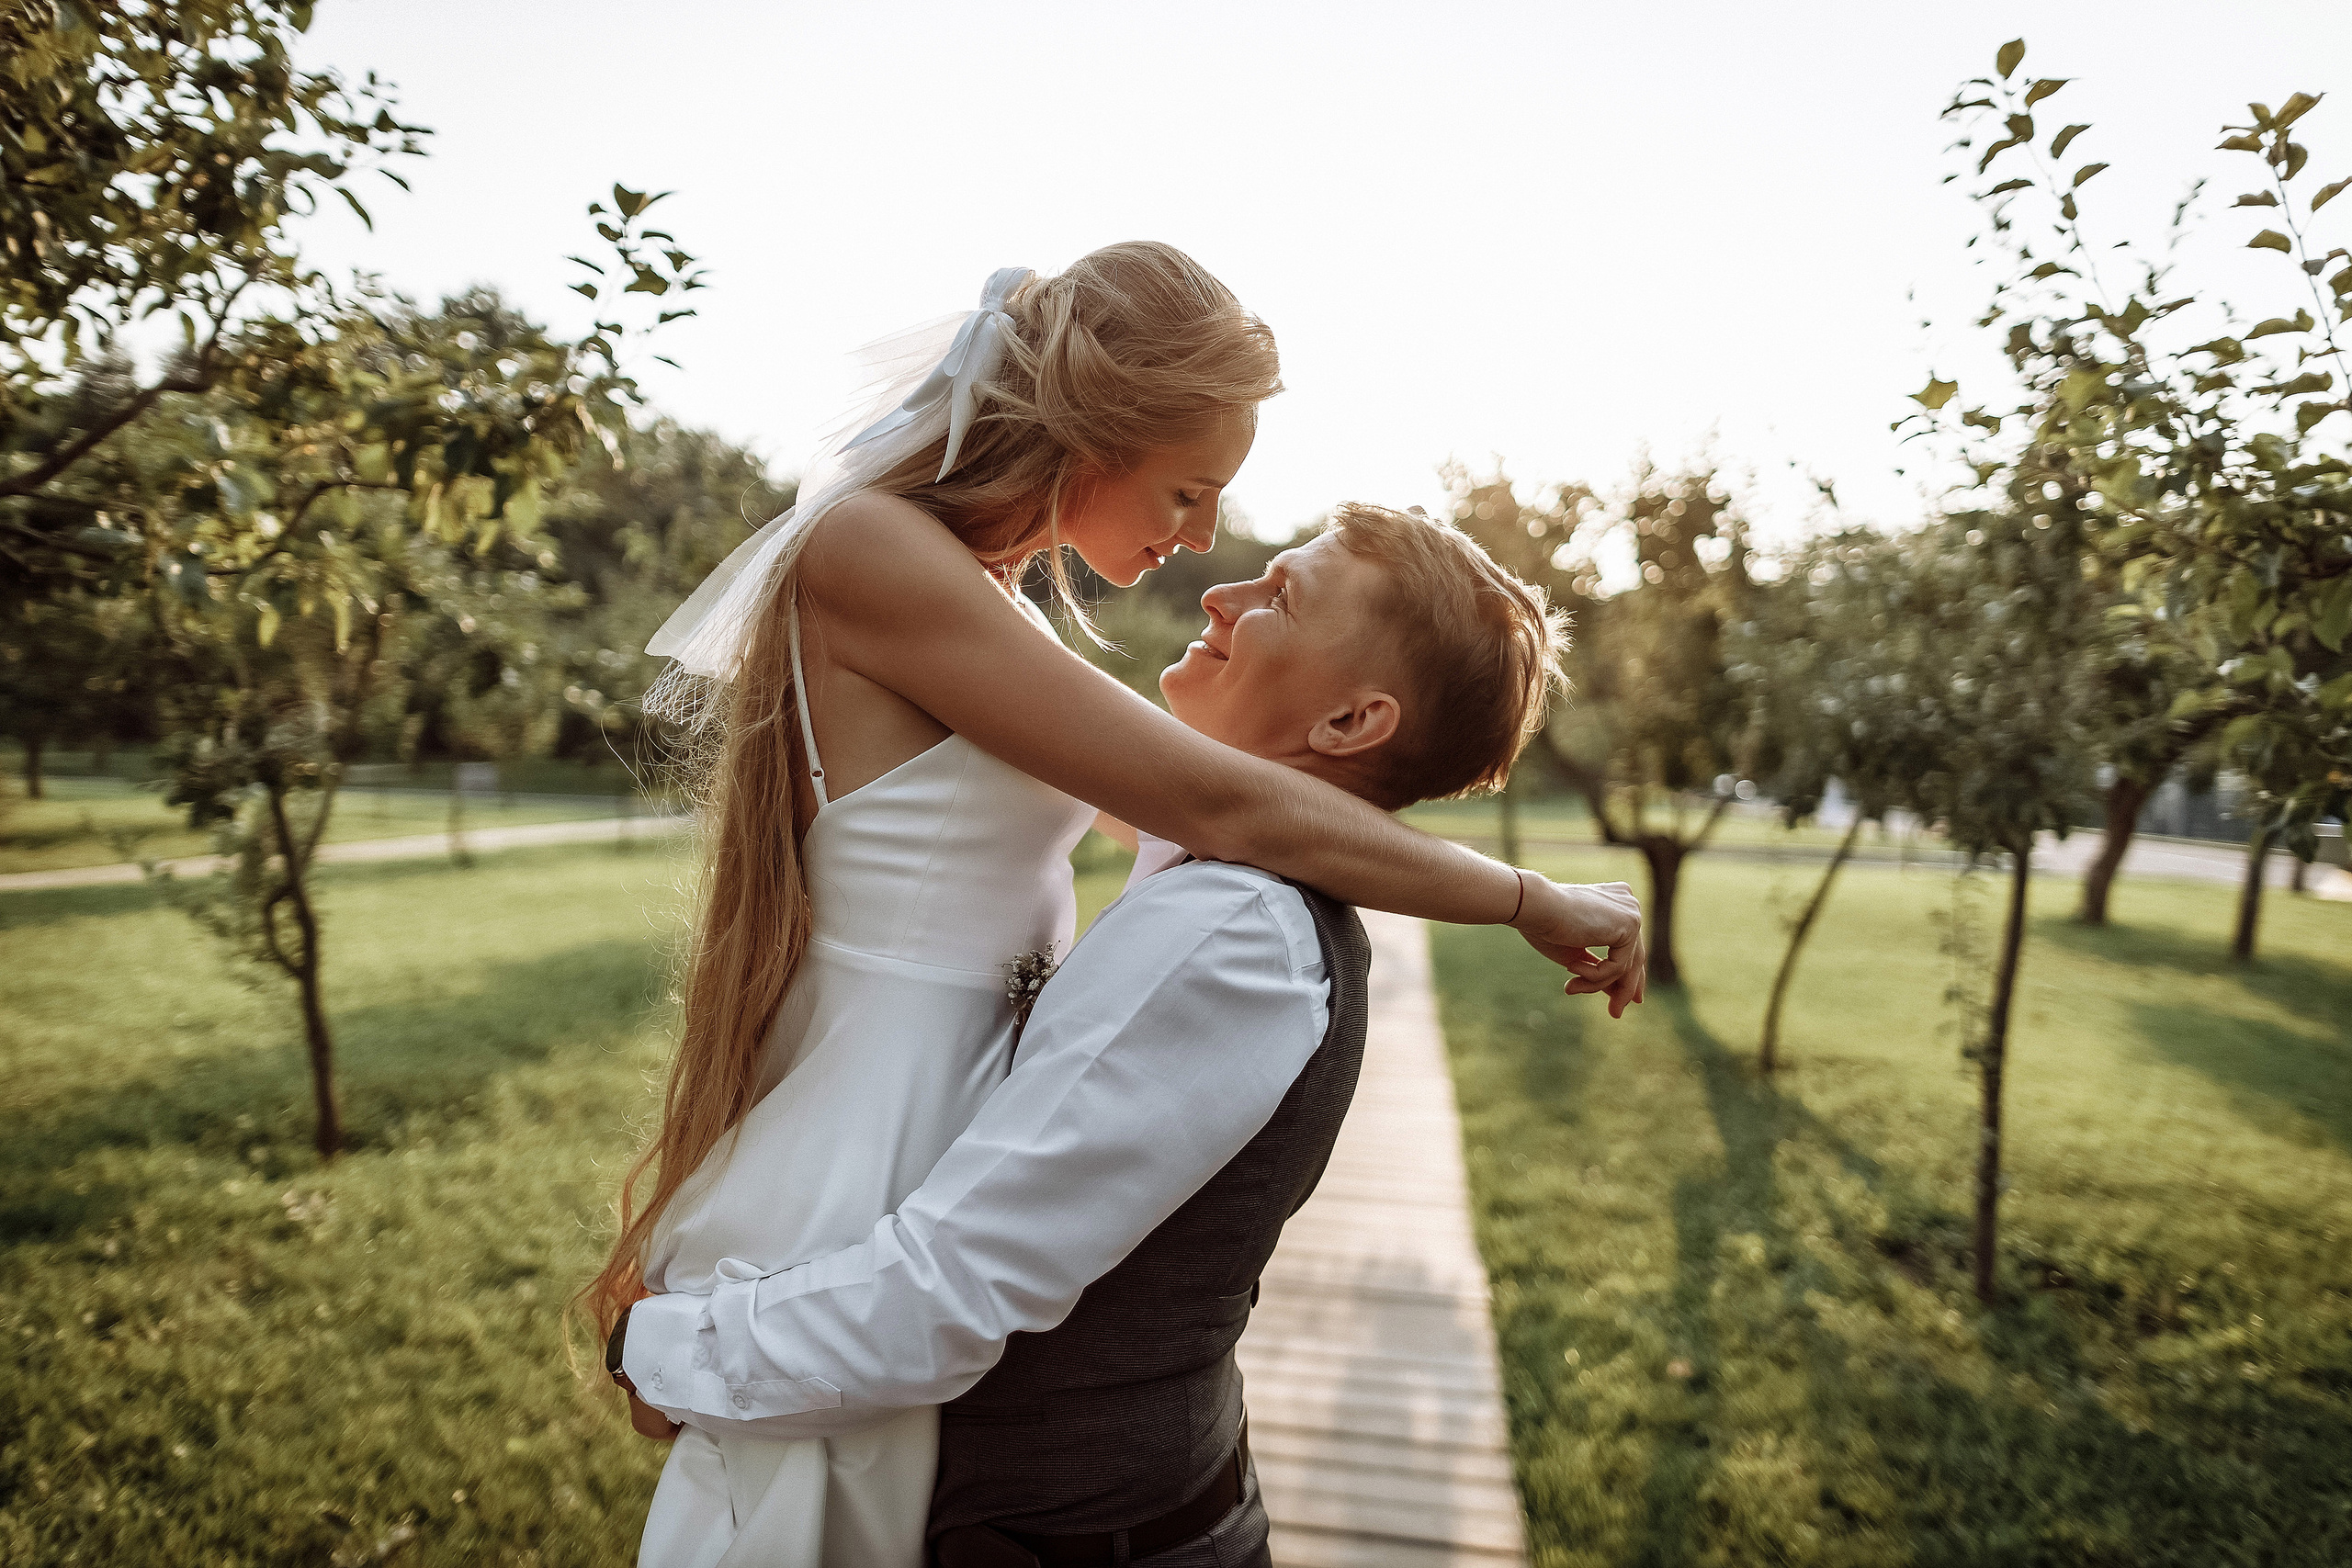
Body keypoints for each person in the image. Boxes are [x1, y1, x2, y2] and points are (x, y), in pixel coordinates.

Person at [587, 245, 1645, 1567]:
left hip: (950, 1118)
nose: (1203, 540)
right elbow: (1232, 803)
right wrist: (1525, 897)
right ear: (1096, 433)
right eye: (1191, 487)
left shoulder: (991, 601)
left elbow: (1229, 805)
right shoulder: (873, 552)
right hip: (879, 1109)